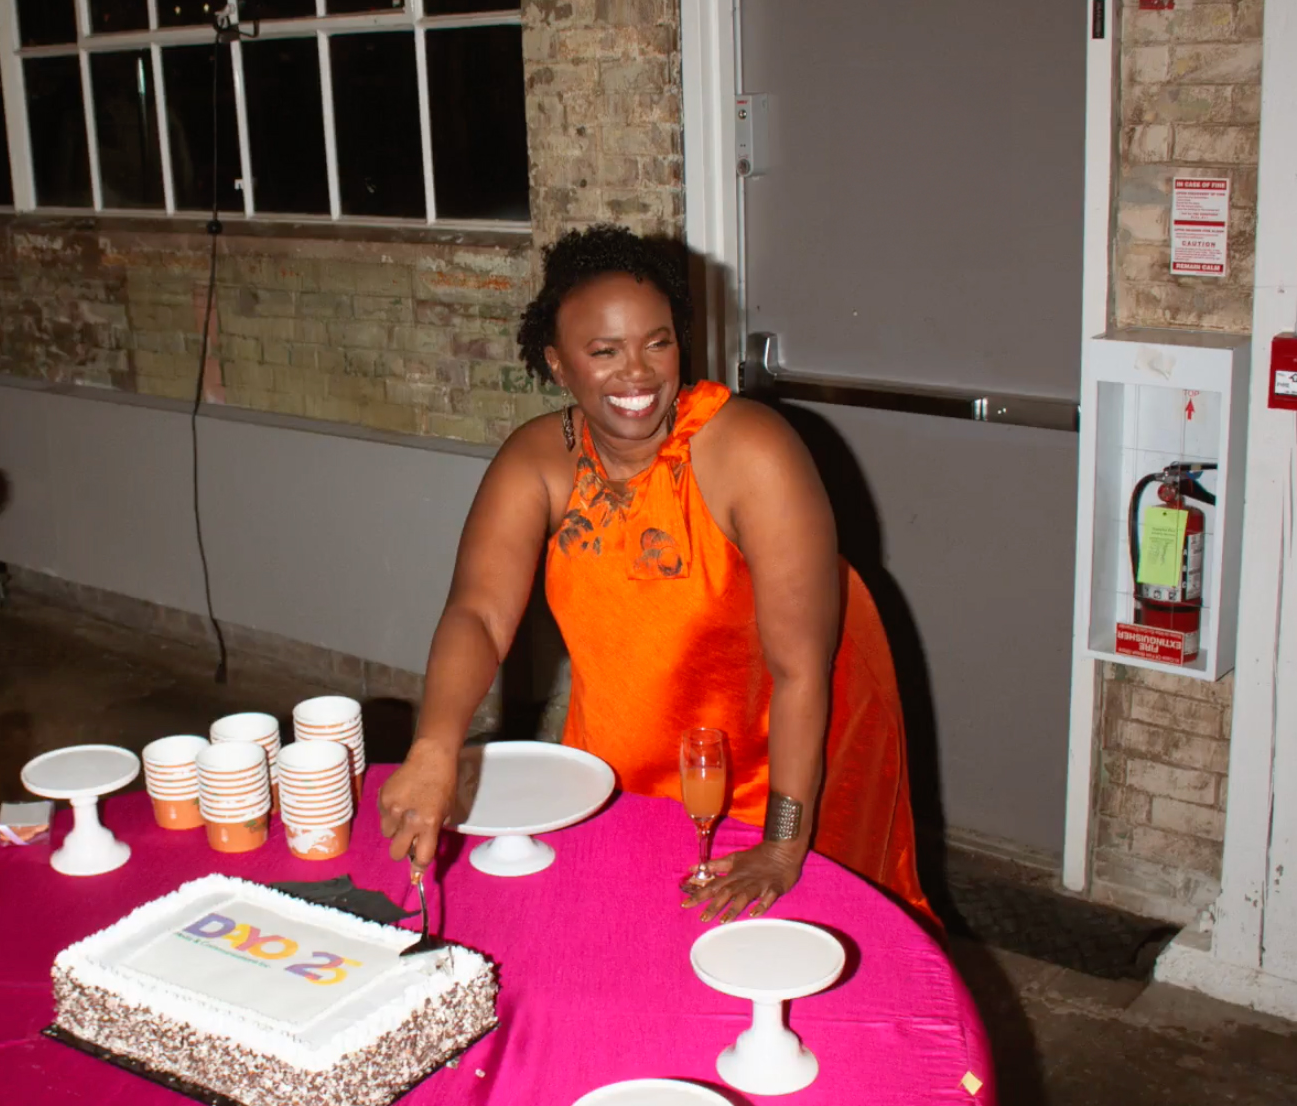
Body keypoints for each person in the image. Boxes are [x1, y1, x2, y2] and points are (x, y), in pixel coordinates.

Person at [378, 224, 932, 926]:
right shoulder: (538, 462)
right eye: (603, 351)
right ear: (557, 364)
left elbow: (801, 670)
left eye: (657, 342)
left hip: (770, 779)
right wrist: (434, 747)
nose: (637, 374)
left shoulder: (751, 453)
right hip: (613, 770)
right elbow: (480, 616)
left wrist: (785, 846)